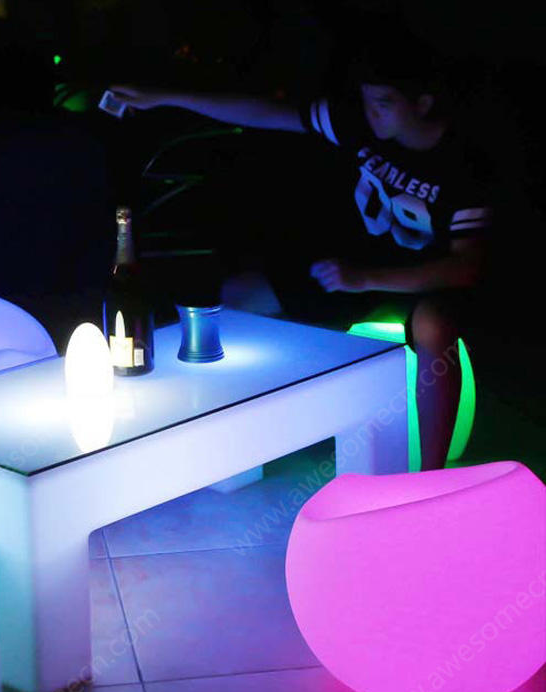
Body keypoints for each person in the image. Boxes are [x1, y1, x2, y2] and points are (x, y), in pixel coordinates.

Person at [108, 29, 500, 471]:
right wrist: (164, 97)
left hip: (416, 280)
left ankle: (431, 474)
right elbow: (267, 112)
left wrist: (366, 279)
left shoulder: (464, 164)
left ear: (423, 103)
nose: (373, 113)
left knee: (435, 324)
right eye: (368, 100)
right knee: (235, 298)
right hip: (350, 267)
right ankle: (224, 451)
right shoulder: (358, 122)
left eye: (385, 103)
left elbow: (466, 266)